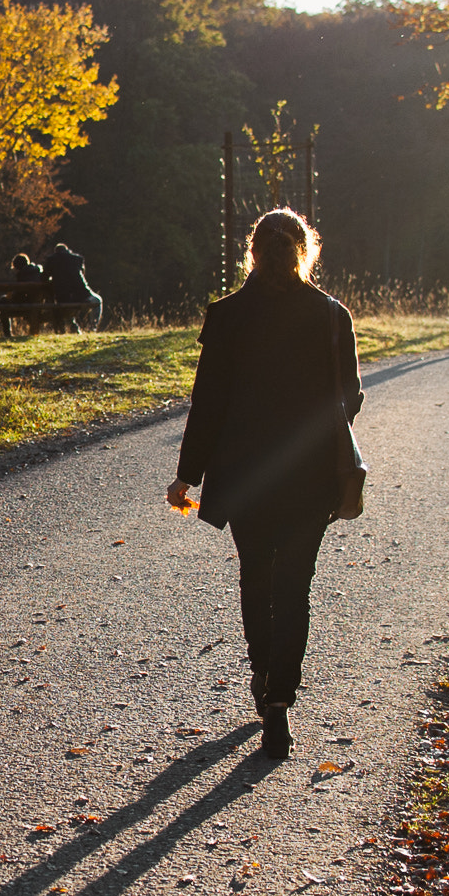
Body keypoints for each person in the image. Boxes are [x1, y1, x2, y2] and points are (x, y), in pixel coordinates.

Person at [166, 209, 362, 759]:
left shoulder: (227, 316)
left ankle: (262, 681)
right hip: (309, 472)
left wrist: (188, 474)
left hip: (245, 471)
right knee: (295, 585)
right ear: (306, 251)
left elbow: (207, 405)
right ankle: (280, 702)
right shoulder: (330, 315)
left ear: (251, 252)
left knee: (257, 577)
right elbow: (350, 399)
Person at [42, 243, 103, 332]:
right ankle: (92, 327)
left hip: (63, 297)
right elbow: (83, 273)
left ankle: (72, 328)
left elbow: (44, 277)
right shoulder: (77, 259)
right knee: (97, 300)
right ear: (67, 250)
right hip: (83, 295)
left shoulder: (51, 260)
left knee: (65, 308)